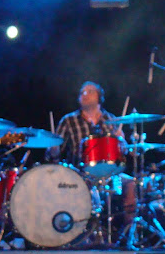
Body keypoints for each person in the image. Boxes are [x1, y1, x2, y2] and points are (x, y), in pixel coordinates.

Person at [46, 81, 136, 229]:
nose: (84, 95)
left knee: (131, 183)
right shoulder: (68, 120)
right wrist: (53, 149)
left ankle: (128, 232)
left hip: (109, 173)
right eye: (82, 92)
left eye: (89, 91)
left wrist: (122, 141)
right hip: (80, 173)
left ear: (99, 97)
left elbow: (122, 153)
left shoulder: (111, 119)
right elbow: (53, 156)